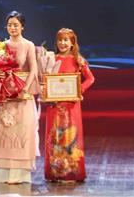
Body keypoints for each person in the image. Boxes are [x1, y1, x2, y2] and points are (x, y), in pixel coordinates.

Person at [0, 11, 39, 184]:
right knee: (6, 131)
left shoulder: (28, 45)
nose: (12, 28)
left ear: (22, 27)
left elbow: (33, 69)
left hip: (22, 95)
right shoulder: (1, 46)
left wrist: (24, 88)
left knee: (22, 131)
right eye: (10, 25)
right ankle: (5, 173)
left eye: (16, 25)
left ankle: (20, 175)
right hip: (6, 95)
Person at [44, 28, 95, 182]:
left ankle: (72, 172)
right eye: (60, 40)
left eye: (66, 40)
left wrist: (79, 90)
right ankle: (55, 172)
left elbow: (90, 79)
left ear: (72, 42)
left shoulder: (78, 60)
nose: (63, 43)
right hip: (54, 105)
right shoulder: (51, 59)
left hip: (71, 105)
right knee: (55, 137)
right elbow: (45, 80)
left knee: (70, 137)